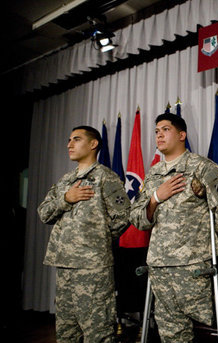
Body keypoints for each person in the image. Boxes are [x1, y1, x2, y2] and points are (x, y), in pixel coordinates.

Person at [129, 112, 218, 342]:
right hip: (159, 264)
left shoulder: (201, 167)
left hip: (192, 265)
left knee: (200, 329)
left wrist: (210, 248)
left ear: (181, 135)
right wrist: (156, 197)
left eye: (165, 129)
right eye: (156, 131)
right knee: (170, 333)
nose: (159, 135)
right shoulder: (154, 174)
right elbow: (137, 218)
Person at [38, 125, 131, 343]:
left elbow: (124, 216)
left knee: (98, 333)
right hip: (65, 266)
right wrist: (65, 199)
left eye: (76, 139)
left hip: (93, 269)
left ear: (93, 144)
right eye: (69, 140)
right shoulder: (65, 181)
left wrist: (98, 239)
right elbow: (44, 213)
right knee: (66, 333)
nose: (69, 144)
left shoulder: (105, 178)